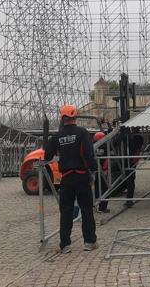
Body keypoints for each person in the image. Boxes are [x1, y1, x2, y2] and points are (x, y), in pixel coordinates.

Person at [44, 105, 98, 253]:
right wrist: (94, 169)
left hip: (66, 179)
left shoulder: (57, 136)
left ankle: (65, 245)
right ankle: (89, 242)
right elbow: (88, 154)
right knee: (86, 210)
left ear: (62, 117)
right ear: (75, 117)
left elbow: (47, 156)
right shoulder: (82, 133)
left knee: (66, 211)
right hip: (81, 176)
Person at [124, 128, 144, 208]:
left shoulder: (137, 137)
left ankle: (129, 200)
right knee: (129, 178)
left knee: (130, 178)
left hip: (131, 160)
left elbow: (135, 147)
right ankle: (129, 199)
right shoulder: (134, 137)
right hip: (129, 159)